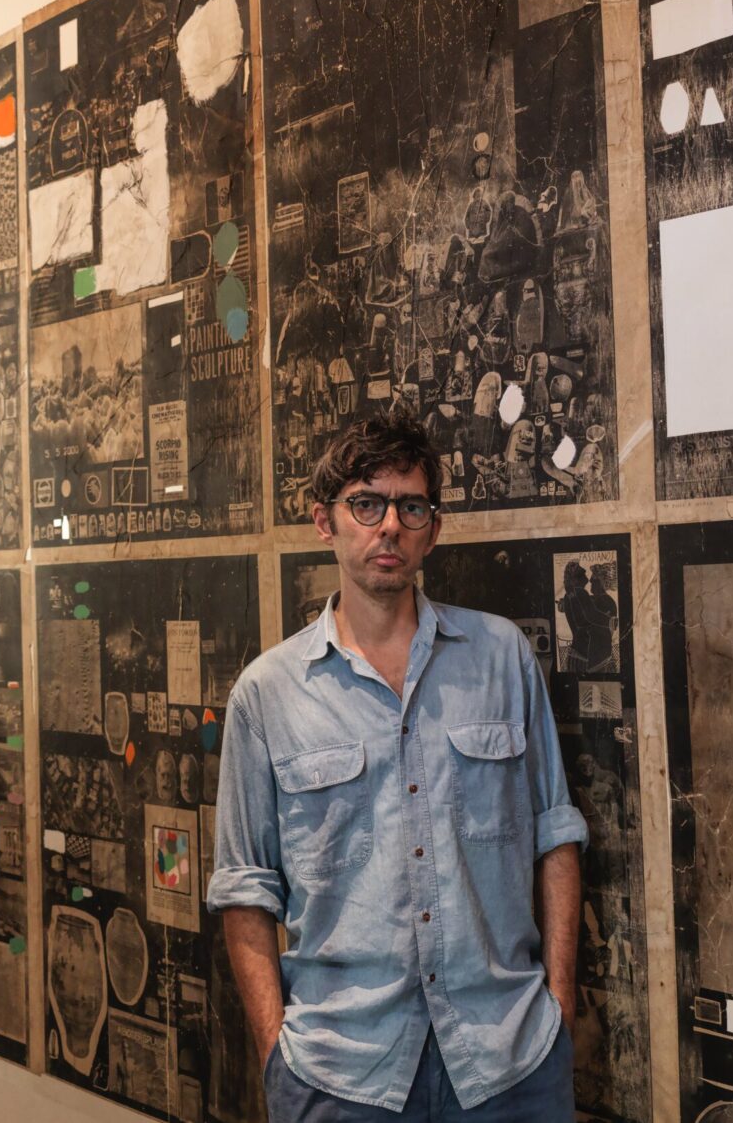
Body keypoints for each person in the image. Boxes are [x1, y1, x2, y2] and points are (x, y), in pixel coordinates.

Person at [207, 409, 588, 1120]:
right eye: (366, 504)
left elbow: (555, 833)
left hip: (509, 1061)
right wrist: (274, 1051)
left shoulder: (502, 659)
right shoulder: (267, 694)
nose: (389, 527)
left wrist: (558, 1005)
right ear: (324, 522)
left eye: (410, 507)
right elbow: (244, 888)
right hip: (339, 1074)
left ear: (432, 529)